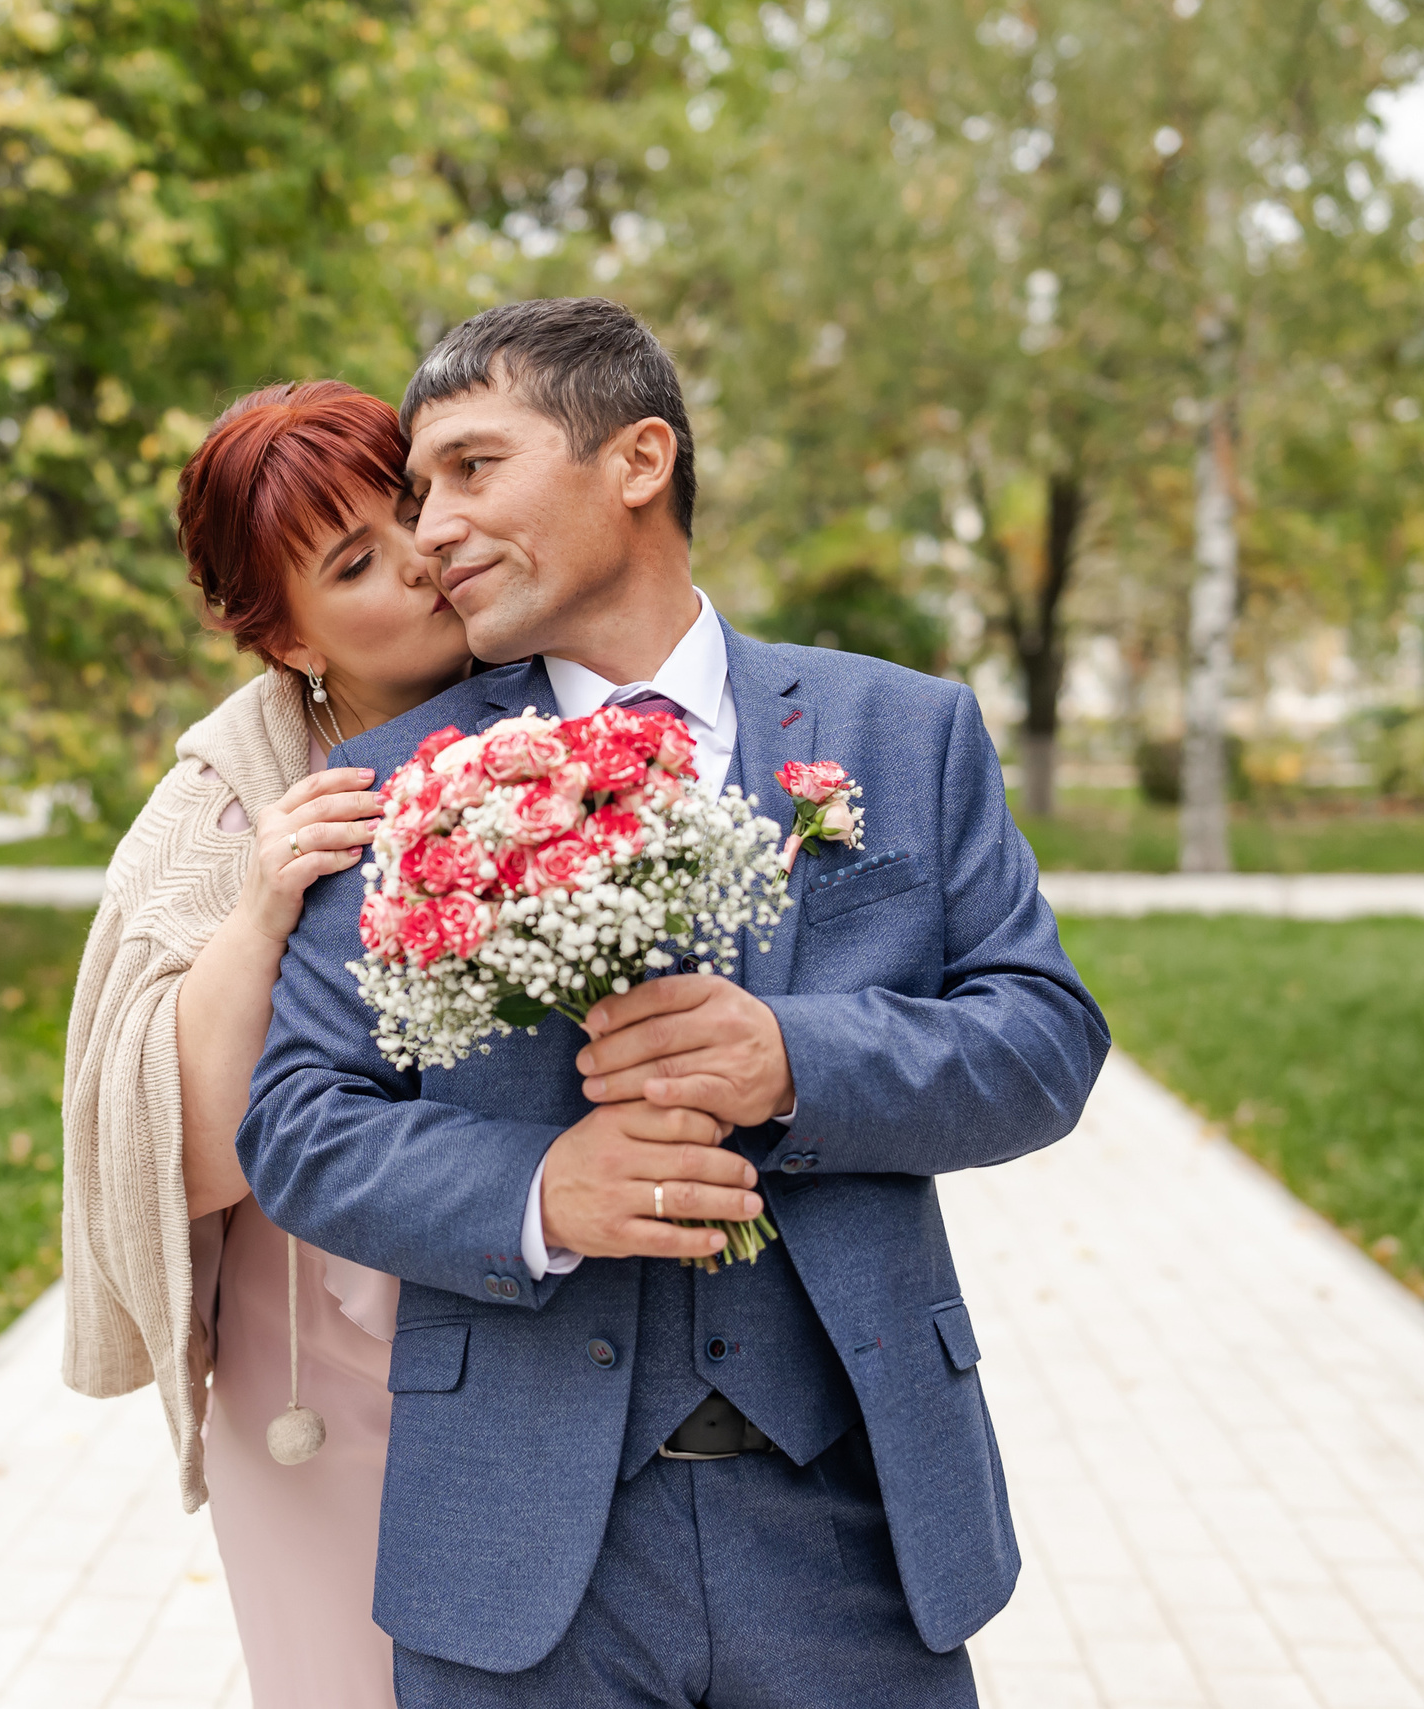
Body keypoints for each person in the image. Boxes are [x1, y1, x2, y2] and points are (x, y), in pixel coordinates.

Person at [238, 299, 1113, 1707]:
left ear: (638, 458)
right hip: (522, 1561)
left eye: (472, 467)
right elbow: (295, 1128)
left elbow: (1045, 1040)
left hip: (861, 1533)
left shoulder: (905, 729)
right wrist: (538, 1189)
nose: (432, 530)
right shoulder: (396, 784)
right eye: (416, 492)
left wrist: (791, 1057)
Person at [59, 380, 470, 1709]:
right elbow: (179, 1158)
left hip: (543, 1325)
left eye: (412, 507)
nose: (419, 556)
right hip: (316, 1368)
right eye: (355, 561)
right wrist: (264, 906)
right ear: (282, 635)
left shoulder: (579, 709)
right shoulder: (225, 804)